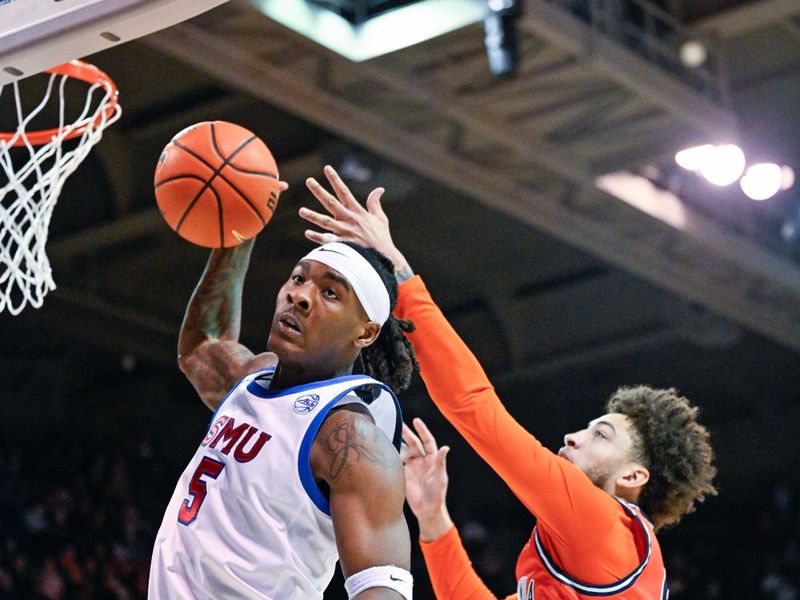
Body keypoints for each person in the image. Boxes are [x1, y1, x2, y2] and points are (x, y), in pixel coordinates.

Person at [300, 165, 718, 599]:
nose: (573, 437)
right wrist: (434, 519)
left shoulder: (599, 523)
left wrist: (398, 271)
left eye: (600, 435)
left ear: (633, 475)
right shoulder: (609, 555)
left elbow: (473, 405)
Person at [149, 179, 418, 600]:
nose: (300, 296)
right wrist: (238, 231)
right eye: (298, 278)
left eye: (330, 293)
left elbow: (383, 588)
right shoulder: (255, 378)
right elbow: (202, 347)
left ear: (365, 333)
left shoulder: (351, 439)